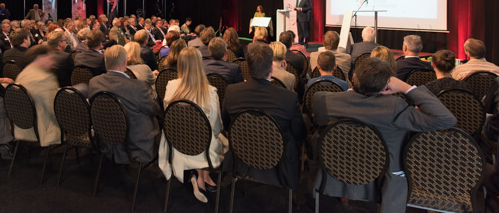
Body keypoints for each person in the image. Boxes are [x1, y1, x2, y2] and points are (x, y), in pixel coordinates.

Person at [312, 58, 456, 213]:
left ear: (353, 78)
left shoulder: (322, 100)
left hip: (338, 167)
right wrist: (405, 87)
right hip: (384, 176)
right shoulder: (395, 107)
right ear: (387, 85)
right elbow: (446, 119)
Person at [222, 42, 306, 189]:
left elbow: (227, 124)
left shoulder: (231, 92)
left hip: (242, 155)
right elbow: (299, 133)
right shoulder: (288, 97)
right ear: (271, 68)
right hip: (279, 164)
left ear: (248, 67)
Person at [158, 47, 228, 203]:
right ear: (199, 64)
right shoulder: (210, 91)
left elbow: (167, 115)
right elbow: (216, 128)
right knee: (219, 140)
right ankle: (202, 175)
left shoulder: (170, 86)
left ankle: (197, 175)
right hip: (202, 148)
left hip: (176, 144)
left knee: (200, 136)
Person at [88, 45, 161, 164]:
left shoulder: (94, 82)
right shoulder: (137, 87)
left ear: (106, 62)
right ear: (125, 62)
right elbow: (154, 110)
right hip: (136, 145)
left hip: (106, 141)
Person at [13, 45, 61, 147]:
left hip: (24, 126)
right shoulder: (44, 78)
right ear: (41, 57)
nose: (53, 62)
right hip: (44, 126)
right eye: (51, 58)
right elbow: (56, 109)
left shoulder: (23, 74)